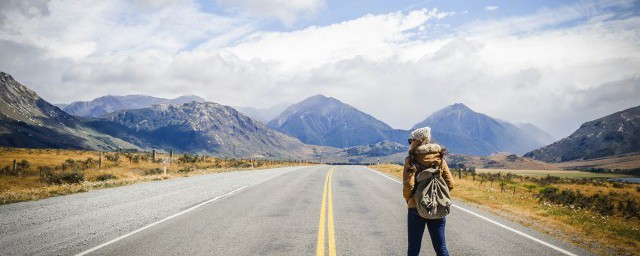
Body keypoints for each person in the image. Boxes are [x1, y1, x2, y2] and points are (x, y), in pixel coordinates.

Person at [403, 127, 455, 256]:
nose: (409, 143)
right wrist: (437, 194)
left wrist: (409, 199)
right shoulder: (440, 158)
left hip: (415, 206)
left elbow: (408, 186)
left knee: (413, 249)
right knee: (441, 248)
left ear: (416, 141)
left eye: (410, 140)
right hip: (437, 205)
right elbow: (451, 184)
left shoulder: (411, 160)